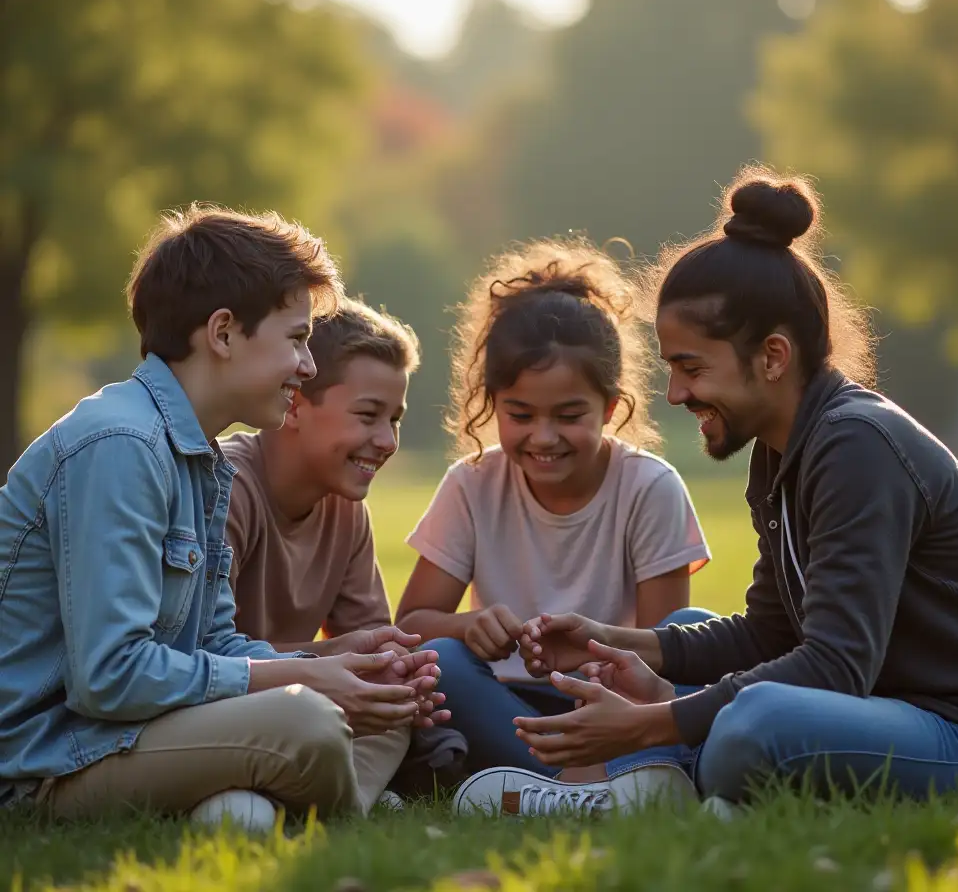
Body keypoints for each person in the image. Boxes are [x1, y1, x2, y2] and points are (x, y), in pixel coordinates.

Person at [451, 168, 958, 818]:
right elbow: (770, 631)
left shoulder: (856, 445)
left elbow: (836, 665)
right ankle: (648, 794)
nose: (674, 394)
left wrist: (655, 720)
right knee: (681, 631)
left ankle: (634, 790)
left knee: (755, 724)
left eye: (692, 368)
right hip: (888, 710)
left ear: (773, 356)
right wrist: (611, 640)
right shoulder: (782, 452)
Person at [0, 205, 439, 829]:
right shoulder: (120, 445)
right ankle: (335, 815)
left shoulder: (199, 460)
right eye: (296, 340)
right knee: (307, 721)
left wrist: (334, 668)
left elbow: (215, 643)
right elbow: (109, 677)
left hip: (129, 737)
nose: (308, 366)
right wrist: (303, 684)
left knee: (366, 708)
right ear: (224, 333)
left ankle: (257, 813)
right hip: (50, 764)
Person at [396, 238, 713, 786]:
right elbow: (413, 626)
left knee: (695, 631)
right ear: (493, 403)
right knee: (440, 660)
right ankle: (591, 783)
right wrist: (469, 627)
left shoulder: (649, 487)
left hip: (613, 703)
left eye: (569, 415)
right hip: (507, 706)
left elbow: (665, 648)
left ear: (610, 407)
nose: (544, 438)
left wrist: (595, 654)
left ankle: (555, 782)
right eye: (520, 414)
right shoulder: (472, 484)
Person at [223, 299, 449, 814]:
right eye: (367, 416)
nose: (387, 440)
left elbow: (369, 646)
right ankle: (328, 805)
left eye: (394, 419)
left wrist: (396, 678)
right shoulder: (228, 489)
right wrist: (327, 660)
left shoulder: (346, 508)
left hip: (300, 703)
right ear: (296, 403)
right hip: (224, 701)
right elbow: (201, 658)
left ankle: (308, 805)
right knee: (309, 725)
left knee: (391, 714)